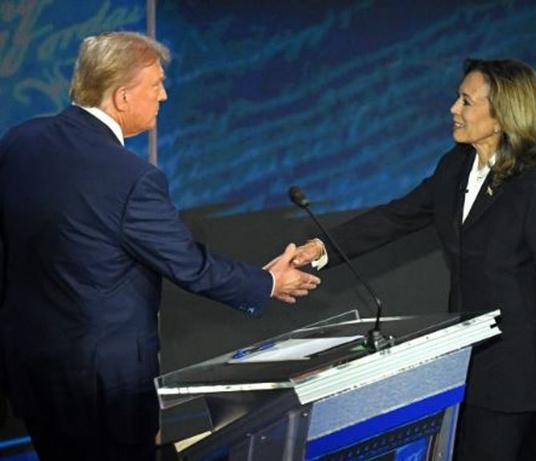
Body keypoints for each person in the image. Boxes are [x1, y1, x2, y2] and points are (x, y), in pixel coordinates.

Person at [0, 31, 320, 461]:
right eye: (155, 86)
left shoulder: (20, 142)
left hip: (33, 370)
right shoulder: (130, 178)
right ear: (121, 96)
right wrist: (266, 282)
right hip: (105, 390)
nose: (164, 96)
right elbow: (189, 265)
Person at [288, 59, 536, 460]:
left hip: (514, 371)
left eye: (466, 101)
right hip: (463, 364)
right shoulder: (456, 166)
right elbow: (397, 216)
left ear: (501, 116)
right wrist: (322, 248)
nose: (453, 108)